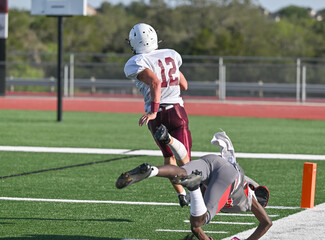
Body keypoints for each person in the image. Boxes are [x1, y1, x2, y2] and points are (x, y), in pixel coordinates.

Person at [116, 126, 272, 240]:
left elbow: (197, 232)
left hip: (213, 161)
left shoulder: (246, 189)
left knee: (182, 171)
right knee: (200, 221)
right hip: (227, 177)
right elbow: (266, 223)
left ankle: (152, 170)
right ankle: (194, 186)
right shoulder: (248, 198)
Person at [124, 23, 192, 207]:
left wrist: (154, 111)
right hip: (176, 111)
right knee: (185, 161)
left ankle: (181, 194)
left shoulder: (136, 61)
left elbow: (154, 81)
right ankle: (194, 198)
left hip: (157, 117)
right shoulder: (170, 55)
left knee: (169, 159)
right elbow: (182, 85)